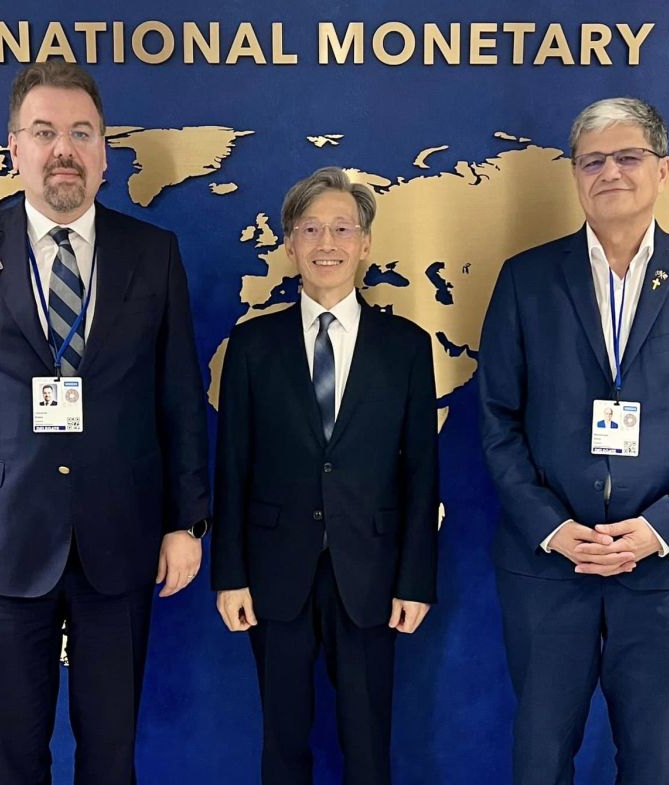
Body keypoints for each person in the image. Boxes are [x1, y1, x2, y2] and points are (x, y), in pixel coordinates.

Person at [0, 61, 210, 785]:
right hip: (4, 544)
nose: (63, 149)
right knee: (17, 757)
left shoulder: (153, 253)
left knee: (111, 757)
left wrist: (186, 521)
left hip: (122, 536)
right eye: (43, 132)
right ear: (14, 148)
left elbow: (179, 394)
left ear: (105, 152)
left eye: (81, 133)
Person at [478, 97, 669, 785]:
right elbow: (497, 420)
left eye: (627, 156)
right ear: (575, 175)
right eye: (593, 160)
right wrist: (552, 528)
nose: (610, 172)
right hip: (549, 567)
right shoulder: (526, 278)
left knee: (653, 763)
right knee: (539, 760)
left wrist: (659, 527)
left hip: (663, 566)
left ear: (663, 170)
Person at [211, 167, 439, 785]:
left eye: (342, 228)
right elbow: (231, 466)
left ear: (366, 243)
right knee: (283, 744)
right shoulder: (252, 345)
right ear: (290, 242)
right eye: (311, 229)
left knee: (367, 746)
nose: (327, 243)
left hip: (371, 572)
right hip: (273, 571)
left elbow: (422, 473)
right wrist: (228, 575)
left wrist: (415, 580)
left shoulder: (407, 346)